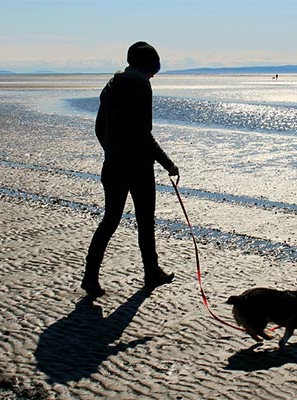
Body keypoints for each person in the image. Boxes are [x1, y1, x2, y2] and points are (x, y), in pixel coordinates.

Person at [82, 41, 179, 300]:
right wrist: (168, 163)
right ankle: (151, 273)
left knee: (110, 220)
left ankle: (90, 277)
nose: (154, 75)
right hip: (137, 168)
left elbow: (99, 129)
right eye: (154, 69)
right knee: (145, 222)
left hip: (113, 165)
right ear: (148, 66)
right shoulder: (140, 84)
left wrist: (112, 153)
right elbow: (143, 133)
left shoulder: (112, 85)